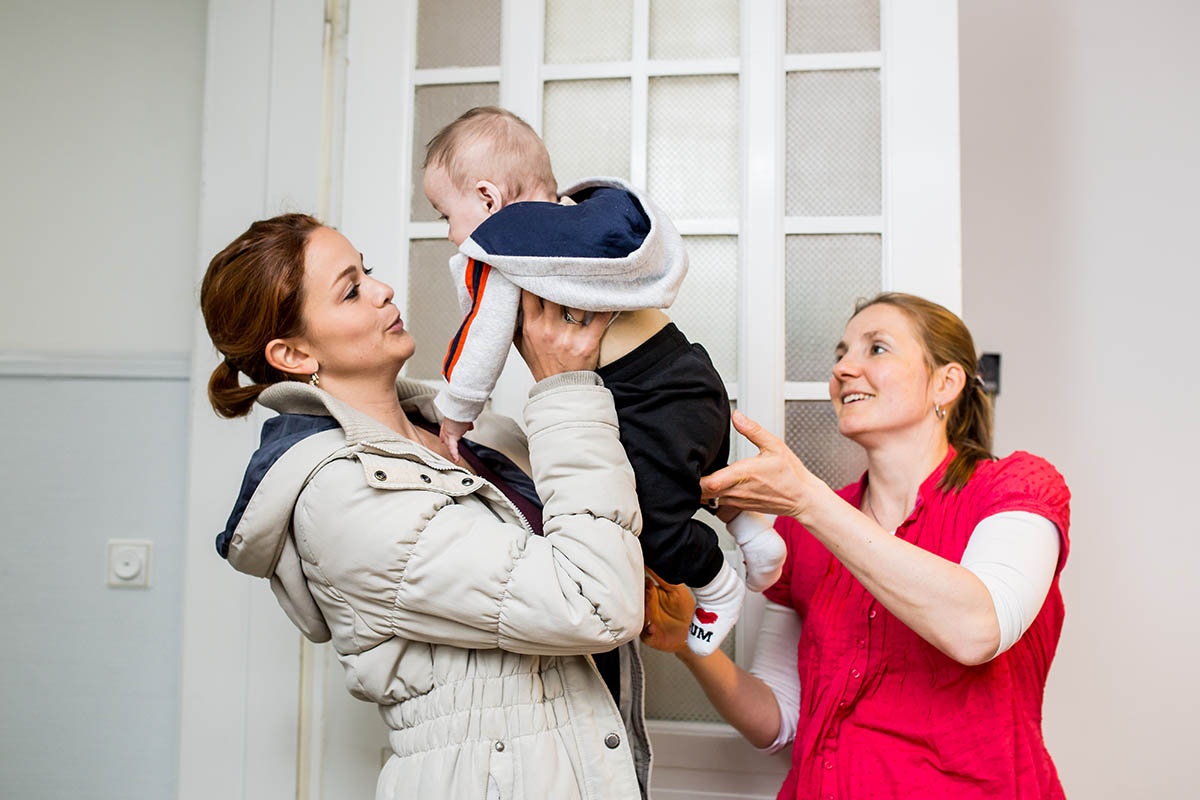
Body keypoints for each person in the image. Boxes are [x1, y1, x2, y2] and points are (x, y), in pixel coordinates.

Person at [201, 213, 653, 800]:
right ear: (292, 353)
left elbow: (592, 540)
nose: (382, 289)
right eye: (350, 290)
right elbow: (595, 604)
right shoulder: (344, 499)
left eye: (367, 271)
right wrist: (563, 386)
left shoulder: (471, 435)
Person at [642, 293, 1071, 799]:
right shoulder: (805, 535)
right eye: (841, 353)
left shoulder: (1016, 489)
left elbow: (978, 629)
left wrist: (806, 499)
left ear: (946, 382)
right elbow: (778, 719)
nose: (844, 368)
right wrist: (693, 641)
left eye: (877, 349)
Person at [421, 105, 784, 656]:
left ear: (489, 200)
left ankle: (716, 583)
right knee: (700, 472)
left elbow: (482, 339)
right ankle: (754, 532)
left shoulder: (511, 249)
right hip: (688, 371)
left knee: (645, 514)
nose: (450, 234)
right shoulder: (589, 228)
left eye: (445, 213)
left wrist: (455, 410)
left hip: (644, 402)